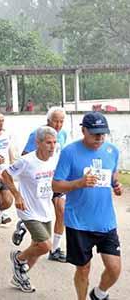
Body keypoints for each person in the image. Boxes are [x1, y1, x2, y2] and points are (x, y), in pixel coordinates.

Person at [52, 112, 123, 300]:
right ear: (83, 130)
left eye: (103, 133)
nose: (99, 138)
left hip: (105, 221)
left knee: (115, 269)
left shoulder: (112, 151)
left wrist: (116, 185)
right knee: (83, 269)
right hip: (79, 222)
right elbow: (56, 185)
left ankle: (99, 294)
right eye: (95, 134)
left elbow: (112, 176)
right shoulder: (69, 152)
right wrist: (79, 183)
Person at [1, 126, 58, 293]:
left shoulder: (55, 159)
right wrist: (17, 196)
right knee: (46, 246)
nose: (52, 146)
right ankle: (18, 258)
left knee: (37, 248)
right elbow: (5, 174)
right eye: (48, 142)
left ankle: (20, 277)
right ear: (38, 143)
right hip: (28, 210)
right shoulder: (27, 161)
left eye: (54, 142)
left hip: (45, 209)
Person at [18, 106, 69, 262]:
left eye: (61, 121)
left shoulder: (63, 134)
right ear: (48, 120)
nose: (59, 125)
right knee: (39, 217)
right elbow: (25, 156)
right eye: (56, 121)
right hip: (39, 181)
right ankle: (25, 224)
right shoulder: (37, 134)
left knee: (61, 211)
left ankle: (55, 248)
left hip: (55, 179)